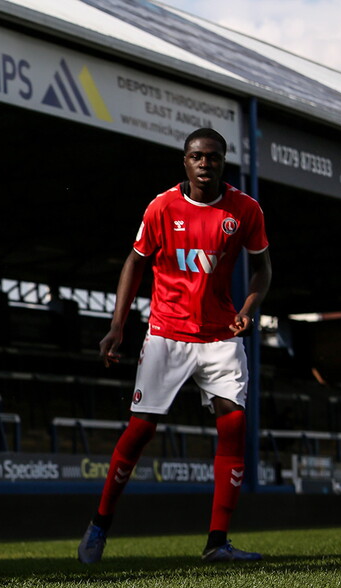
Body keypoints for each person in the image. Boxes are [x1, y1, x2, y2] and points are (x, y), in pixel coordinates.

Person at [77, 128, 272, 564]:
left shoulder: (245, 209)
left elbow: (262, 269)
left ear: (224, 162)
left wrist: (249, 306)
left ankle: (216, 542)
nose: (205, 164)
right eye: (197, 157)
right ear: (185, 161)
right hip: (167, 333)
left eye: (214, 158)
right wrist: (116, 327)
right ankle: (99, 524)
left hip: (221, 335)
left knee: (234, 426)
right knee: (141, 429)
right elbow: (135, 262)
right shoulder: (162, 207)